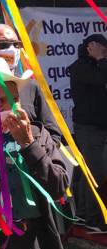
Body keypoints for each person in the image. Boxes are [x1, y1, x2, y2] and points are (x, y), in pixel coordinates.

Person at [0, 57, 68, 249]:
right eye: (0, 100)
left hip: (36, 238)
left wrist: (28, 144)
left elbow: (59, 187)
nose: (10, 106)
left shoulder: (38, 134)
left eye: (14, 98)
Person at [0, 23, 62, 145]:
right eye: (4, 44)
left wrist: (33, 149)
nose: (12, 49)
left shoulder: (31, 87)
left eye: (16, 44)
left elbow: (53, 135)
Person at [69, 33, 107, 232]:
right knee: (96, 174)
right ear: (91, 47)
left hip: (99, 127)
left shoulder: (99, 65)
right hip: (88, 128)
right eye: (101, 48)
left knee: (90, 172)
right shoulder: (80, 68)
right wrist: (101, 59)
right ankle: (94, 220)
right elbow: (101, 78)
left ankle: (84, 214)